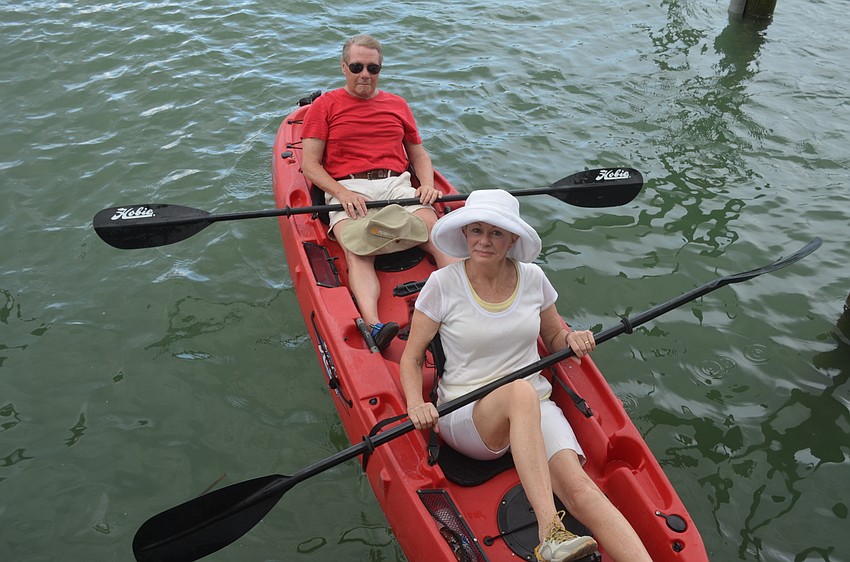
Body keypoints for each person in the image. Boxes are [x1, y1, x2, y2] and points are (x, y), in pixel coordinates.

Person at [400, 190, 653, 562]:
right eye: (476, 231)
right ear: (465, 234)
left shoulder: (533, 278)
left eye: (496, 233)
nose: (484, 241)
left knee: (581, 489)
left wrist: (573, 338)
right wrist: (415, 403)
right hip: (467, 413)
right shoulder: (442, 284)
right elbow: (411, 357)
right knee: (519, 392)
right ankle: (550, 533)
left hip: (533, 403)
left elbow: (553, 337)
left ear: (512, 239)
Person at [301, 34, 456, 351]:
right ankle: (375, 324)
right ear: (344, 67)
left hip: (395, 184)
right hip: (349, 186)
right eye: (357, 66)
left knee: (438, 233)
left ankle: (466, 301)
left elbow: (419, 155)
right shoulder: (325, 106)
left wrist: (425, 184)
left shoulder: (397, 104)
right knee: (359, 248)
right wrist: (341, 192)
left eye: (373, 68)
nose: (365, 75)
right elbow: (310, 166)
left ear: (380, 70)